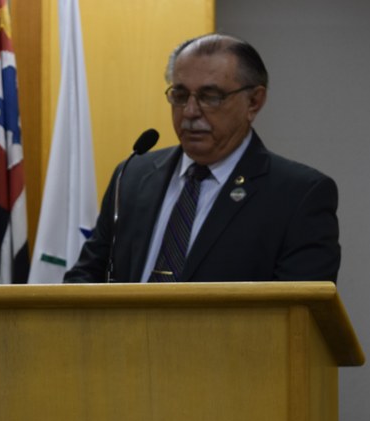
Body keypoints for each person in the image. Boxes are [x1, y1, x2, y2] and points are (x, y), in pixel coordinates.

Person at [63, 34, 340, 283]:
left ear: (254, 102)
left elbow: (297, 313)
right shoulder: (133, 176)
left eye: (211, 96)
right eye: (180, 95)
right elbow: (85, 277)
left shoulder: (298, 195)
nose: (190, 111)